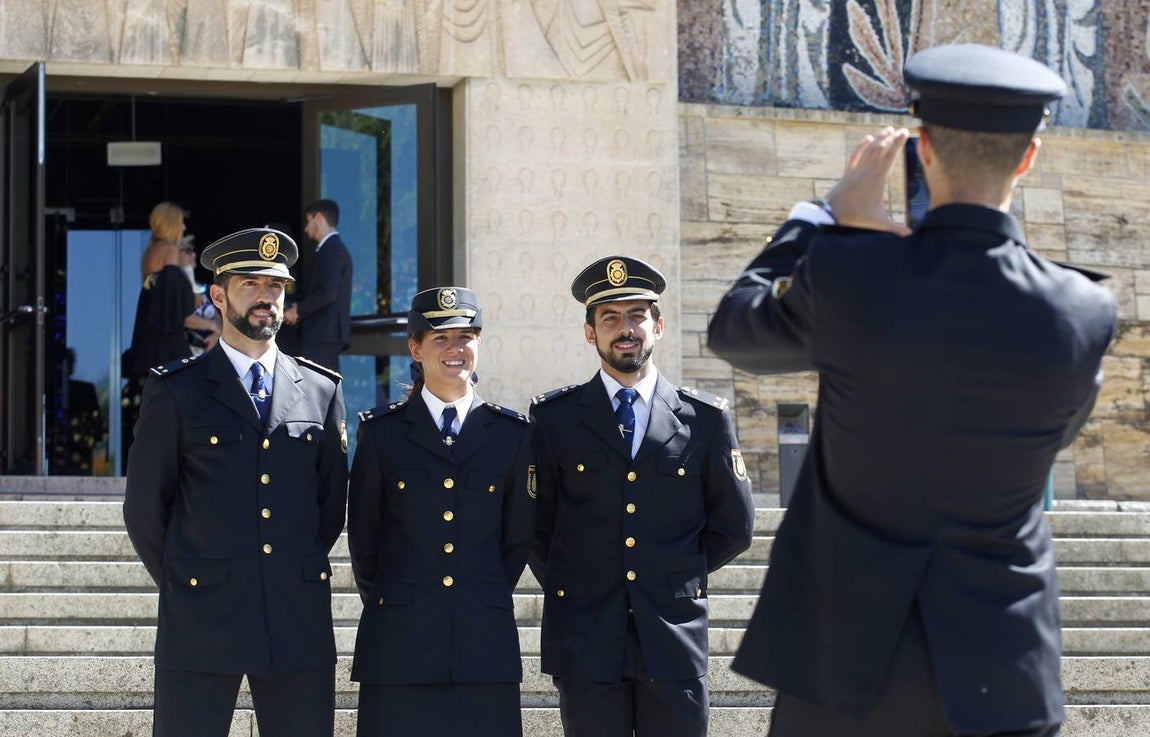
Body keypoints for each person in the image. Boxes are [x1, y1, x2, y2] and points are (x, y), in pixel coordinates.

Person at [706, 44, 1118, 737]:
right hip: (1001, 671)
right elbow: (1059, 430)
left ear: (922, 149)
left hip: (842, 670)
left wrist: (823, 214)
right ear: (1027, 158)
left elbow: (734, 330)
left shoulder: (850, 275)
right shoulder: (1081, 310)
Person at [123, 227, 349, 737]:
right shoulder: (176, 390)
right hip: (202, 618)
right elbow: (144, 509)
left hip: (295, 617)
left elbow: (329, 505)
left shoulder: (320, 390)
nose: (267, 297)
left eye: (277, 286)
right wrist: (193, 581)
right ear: (218, 295)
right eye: (251, 284)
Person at [529, 256, 755, 737]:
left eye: (637, 315)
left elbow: (734, 526)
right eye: (609, 318)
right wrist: (584, 579)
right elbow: (536, 525)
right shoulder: (554, 419)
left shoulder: (705, 419)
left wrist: (673, 570)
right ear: (590, 332)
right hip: (586, 636)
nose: (625, 329)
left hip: (673, 635)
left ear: (659, 325)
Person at [347, 286, 534, 736]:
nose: (456, 349)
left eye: (466, 336)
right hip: (399, 647)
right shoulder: (381, 434)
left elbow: (516, 540)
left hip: (482, 647)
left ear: (480, 344)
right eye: (440, 338)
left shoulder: (512, 435)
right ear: (415, 348)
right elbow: (365, 546)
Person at [121, 202, 219, 472]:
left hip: (149, 340)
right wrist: (213, 324)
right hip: (168, 342)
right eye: (181, 222)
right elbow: (179, 308)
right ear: (172, 224)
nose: (184, 227)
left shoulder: (149, 253)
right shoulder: (170, 252)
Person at [284, 199, 352, 372]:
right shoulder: (330, 249)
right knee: (325, 389)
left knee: (316, 389)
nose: (306, 229)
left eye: (308, 221)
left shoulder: (332, 249)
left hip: (323, 333)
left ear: (319, 218)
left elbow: (328, 293)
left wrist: (297, 310)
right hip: (324, 333)